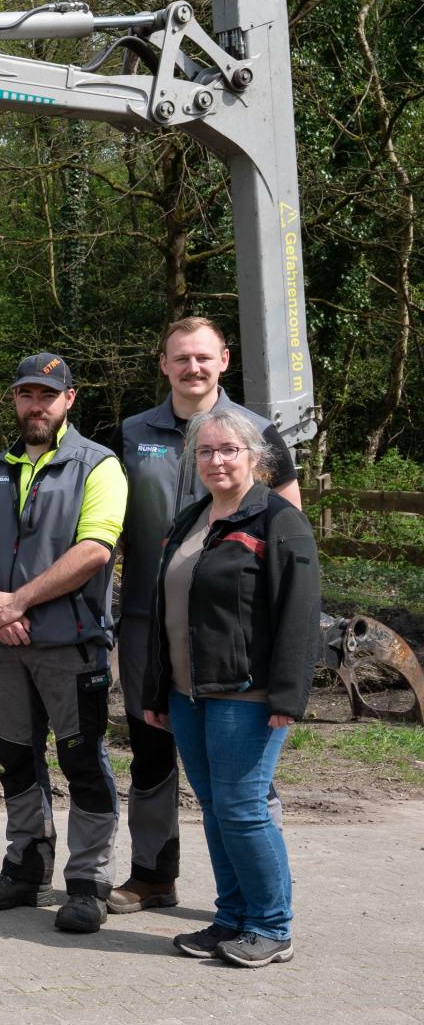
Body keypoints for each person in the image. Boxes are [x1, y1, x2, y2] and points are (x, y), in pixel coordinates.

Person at [102, 316, 302, 916]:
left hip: (238, 634)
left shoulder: (260, 434)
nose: (193, 368)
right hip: (149, 626)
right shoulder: (130, 435)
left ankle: (258, 901)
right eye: (180, 358)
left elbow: (290, 535)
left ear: (224, 360)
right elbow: (103, 527)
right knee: (152, 751)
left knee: (243, 778)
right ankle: (153, 875)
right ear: (163, 365)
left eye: (203, 357)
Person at [0, 353, 128, 933]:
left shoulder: (98, 466)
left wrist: (20, 601)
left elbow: (95, 550)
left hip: (70, 643)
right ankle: (26, 867)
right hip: (4, 643)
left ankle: (88, 881)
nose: (36, 405)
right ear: (15, 400)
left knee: (83, 760)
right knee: (16, 758)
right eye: (26, 394)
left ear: (69, 400)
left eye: (47, 395)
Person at [145, 408, 318, 968]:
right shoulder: (191, 518)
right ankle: (232, 919)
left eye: (229, 451)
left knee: (244, 809)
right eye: (206, 452)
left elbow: (299, 612)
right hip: (187, 693)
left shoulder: (277, 520)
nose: (217, 461)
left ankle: (272, 926)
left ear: (254, 457)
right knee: (217, 809)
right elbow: (164, 610)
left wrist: (289, 696)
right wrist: (155, 692)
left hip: (248, 694)